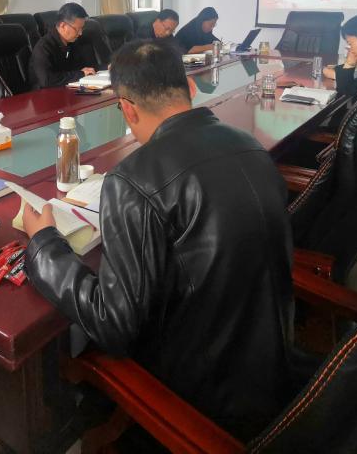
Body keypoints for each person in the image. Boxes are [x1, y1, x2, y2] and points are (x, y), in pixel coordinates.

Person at [21, 40, 295, 441]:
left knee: (73, 339)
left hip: (201, 392)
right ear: (190, 87)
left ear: (127, 108)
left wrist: (45, 244)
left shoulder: (134, 177)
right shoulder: (250, 144)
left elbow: (114, 324)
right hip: (270, 358)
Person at [29, 2, 96, 89]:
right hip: (44, 94)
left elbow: (86, 67)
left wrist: (106, 67)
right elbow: (47, 80)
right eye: (77, 29)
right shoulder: (43, 47)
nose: (80, 33)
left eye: (82, 28)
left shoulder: (73, 42)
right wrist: (80, 74)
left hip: (67, 89)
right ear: (63, 26)